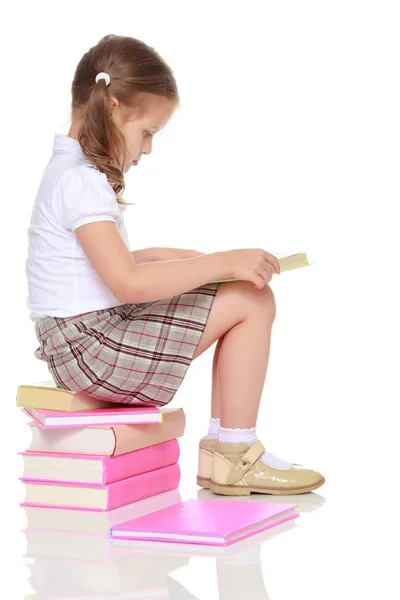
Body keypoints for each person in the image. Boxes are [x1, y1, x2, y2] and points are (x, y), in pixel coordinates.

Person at [26, 34, 325, 496]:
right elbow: (127, 283)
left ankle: (230, 452)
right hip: (94, 347)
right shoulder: (81, 181)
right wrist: (218, 264)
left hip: (79, 341)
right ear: (113, 108)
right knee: (251, 298)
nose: (146, 149)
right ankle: (234, 455)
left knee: (239, 292)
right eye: (147, 132)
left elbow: (97, 268)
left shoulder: (69, 171)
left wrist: (178, 259)